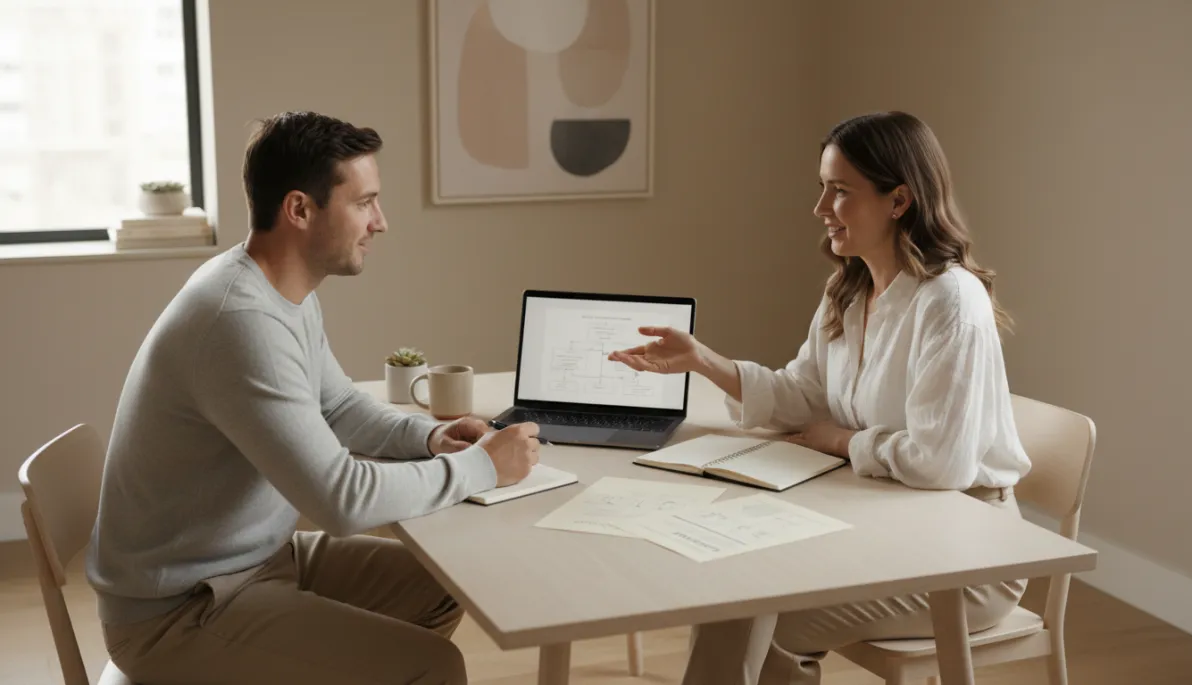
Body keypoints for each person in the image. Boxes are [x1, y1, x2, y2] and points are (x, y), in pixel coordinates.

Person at [86, 110, 542, 685]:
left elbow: (338, 406)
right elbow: (341, 501)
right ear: (300, 209)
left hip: (254, 562)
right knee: (433, 667)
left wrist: (430, 438)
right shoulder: (238, 321)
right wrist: (479, 468)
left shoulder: (279, 290)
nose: (381, 221)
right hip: (181, 611)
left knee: (444, 588)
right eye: (364, 202)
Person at [608, 111, 1032, 685]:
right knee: (731, 593)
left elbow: (943, 464)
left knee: (759, 617)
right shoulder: (850, 287)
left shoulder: (949, 302)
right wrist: (703, 361)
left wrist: (845, 440)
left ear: (899, 200)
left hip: (966, 553)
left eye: (840, 192)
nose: (820, 208)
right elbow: (803, 397)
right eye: (822, 188)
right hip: (884, 520)